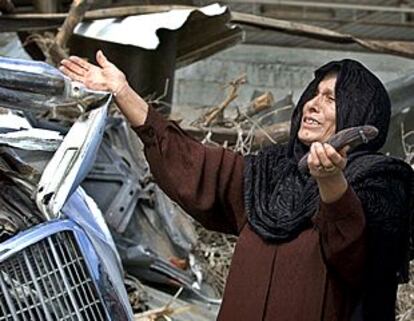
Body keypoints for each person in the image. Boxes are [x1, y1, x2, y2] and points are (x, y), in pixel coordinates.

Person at [60, 51, 413, 321]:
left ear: (359, 111)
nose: (312, 105)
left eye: (331, 98)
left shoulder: (381, 183)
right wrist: (124, 93)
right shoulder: (269, 172)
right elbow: (194, 164)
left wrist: (332, 185)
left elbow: (357, 258)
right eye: (314, 93)